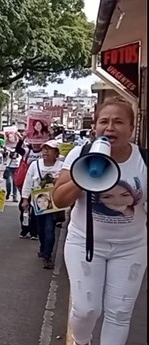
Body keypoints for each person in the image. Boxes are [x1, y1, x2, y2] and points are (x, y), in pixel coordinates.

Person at [52, 97, 147, 345]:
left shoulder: (143, 160)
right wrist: (84, 175)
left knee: (119, 313)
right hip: (85, 243)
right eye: (104, 121)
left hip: (131, 248)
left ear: (131, 128)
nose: (110, 128)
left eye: (118, 122)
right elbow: (59, 199)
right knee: (86, 309)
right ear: (95, 127)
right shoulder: (80, 153)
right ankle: (81, 341)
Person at [21, 139, 63, 269]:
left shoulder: (61, 166)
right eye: (44, 149)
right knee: (40, 229)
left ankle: (47, 255)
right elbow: (28, 181)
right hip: (37, 202)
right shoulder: (35, 165)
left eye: (49, 149)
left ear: (56, 152)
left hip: (53, 202)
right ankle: (43, 247)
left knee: (49, 228)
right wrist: (25, 199)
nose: (45, 152)